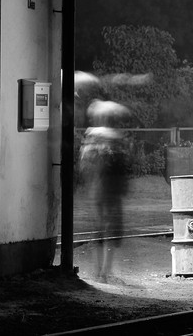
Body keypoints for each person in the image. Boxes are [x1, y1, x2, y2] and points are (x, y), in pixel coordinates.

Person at [80, 98, 130, 282]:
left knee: (98, 232)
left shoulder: (90, 138)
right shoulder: (116, 139)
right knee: (112, 233)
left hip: (95, 190)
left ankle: (97, 272)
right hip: (112, 192)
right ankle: (106, 273)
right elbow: (123, 169)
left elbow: (84, 167)